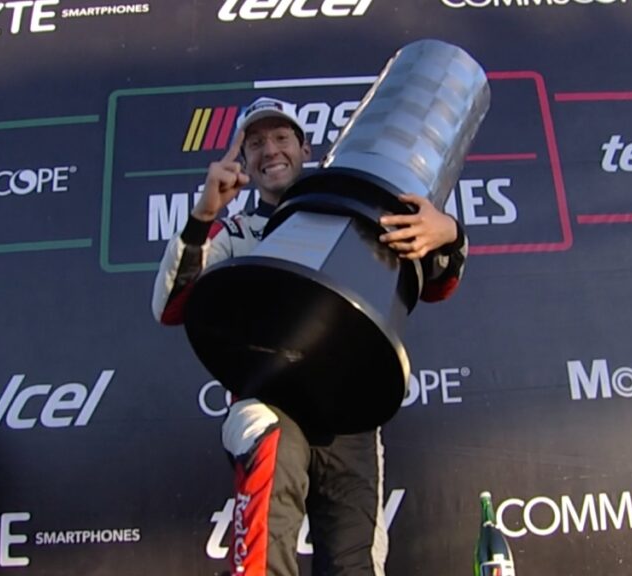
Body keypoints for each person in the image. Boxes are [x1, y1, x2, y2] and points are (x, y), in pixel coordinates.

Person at [152, 97, 467, 575]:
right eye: (255, 143)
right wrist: (202, 216)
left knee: (355, 561)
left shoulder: (356, 214)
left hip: (349, 411)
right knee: (270, 455)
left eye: (281, 138)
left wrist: (450, 234)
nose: (269, 150)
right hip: (269, 398)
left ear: (305, 149)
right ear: (245, 162)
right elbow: (171, 307)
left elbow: (437, 286)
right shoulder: (236, 231)